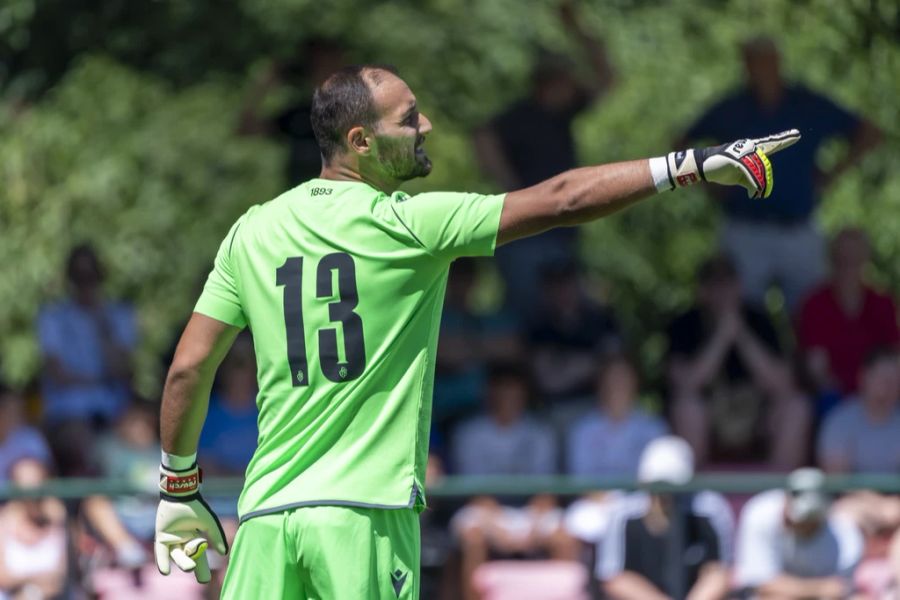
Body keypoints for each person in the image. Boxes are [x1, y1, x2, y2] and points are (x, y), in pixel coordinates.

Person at [154, 62, 800, 598]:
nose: (425, 125)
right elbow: (563, 199)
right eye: (408, 119)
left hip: (265, 518)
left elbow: (189, 367)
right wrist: (693, 165)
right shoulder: (407, 225)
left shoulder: (252, 230)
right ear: (359, 141)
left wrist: (178, 488)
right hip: (363, 517)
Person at [680, 36, 881, 311]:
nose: (755, 69)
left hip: (797, 227)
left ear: (777, 62)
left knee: (814, 312)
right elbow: (681, 143)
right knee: (738, 313)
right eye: (750, 62)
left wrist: (832, 175)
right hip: (745, 227)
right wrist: (710, 184)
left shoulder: (807, 105)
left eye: (762, 61)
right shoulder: (732, 108)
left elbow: (869, 133)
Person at [473, 1, 616, 320]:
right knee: (526, 318)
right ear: (549, 82)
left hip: (561, 231)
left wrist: (577, 28)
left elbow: (608, 79)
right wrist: (511, 189)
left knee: (563, 319)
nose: (574, 84)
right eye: (567, 78)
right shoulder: (520, 118)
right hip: (526, 237)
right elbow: (482, 137)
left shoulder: (561, 115)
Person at [666, 254, 810, 469]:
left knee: (797, 406)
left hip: (756, 416)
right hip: (710, 417)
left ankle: (779, 491)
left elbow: (783, 382)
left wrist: (741, 335)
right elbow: (685, 384)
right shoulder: (684, 325)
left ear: (739, 286)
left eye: (729, 283)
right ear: (702, 290)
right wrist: (721, 338)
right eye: (715, 284)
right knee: (686, 407)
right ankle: (692, 493)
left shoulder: (760, 321)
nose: (723, 292)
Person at [597, 436, 734, 600]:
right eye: (658, 486)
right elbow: (614, 577)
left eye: (672, 487)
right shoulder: (622, 513)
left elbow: (719, 571)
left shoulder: (710, 509)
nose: (664, 496)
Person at [796, 228, 900, 412]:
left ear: (865, 261)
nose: (849, 265)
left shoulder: (882, 304)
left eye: (855, 259)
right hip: (834, 397)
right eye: (842, 259)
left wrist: (879, 389)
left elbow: (893, 356)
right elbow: (817, 368)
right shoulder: (814, 304)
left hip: (881, 392)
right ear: (832, 261)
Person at [37, 244, 137, 428]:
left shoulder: (120, 314)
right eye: (79, 277)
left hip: (115, 411)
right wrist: (101, 380)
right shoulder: (52, 317)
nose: (85, 284)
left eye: (90, 276)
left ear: (100, 276)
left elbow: (123, 370)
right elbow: (58, 375)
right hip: (68, 412)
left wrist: (102, 326)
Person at [733, 468, 864, 599]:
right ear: (785, 501)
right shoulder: (760, 513)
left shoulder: (846, 534)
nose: (804, 526)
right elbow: (760, 585)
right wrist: (818, 588)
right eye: (800, 520)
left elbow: (837, 591)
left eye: (811, 522)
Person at [239, 38, 347, 187]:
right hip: (302, 200)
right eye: (318, 65)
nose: (325, 71)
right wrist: (262, 87)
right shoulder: (299, 115)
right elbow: (246, 129)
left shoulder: (354, 110)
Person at [529, 262, 622, 402]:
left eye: (568, 284)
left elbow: (614, 368)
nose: (563, 291)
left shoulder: (603, 322)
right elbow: (548, 381)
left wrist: (564, 364)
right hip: (555, 408)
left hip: (598, 407)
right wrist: (593, 362)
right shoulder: (539, 329)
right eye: (556, 285)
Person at [566, 355, 666, 477]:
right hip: (593, 496)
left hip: (639, 496)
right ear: (601, 384)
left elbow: (658, 481)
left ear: (635, 382)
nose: (617, 385)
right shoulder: (583, 429)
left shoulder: (653, 428)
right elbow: (580, 479)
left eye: (624, 378)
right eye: (612, 379)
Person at [817, 347, 900, 474]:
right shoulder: (839, 421)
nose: (888, 386)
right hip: (851, 494)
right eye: (882, 378)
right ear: (863, 376)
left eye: (895, 380)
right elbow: (837, 481)